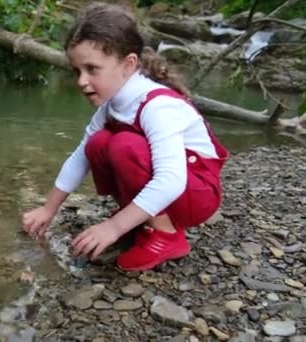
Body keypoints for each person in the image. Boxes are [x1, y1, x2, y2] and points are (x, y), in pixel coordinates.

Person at [21, 2, 229, 272]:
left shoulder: (157, 106)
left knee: (124, 145)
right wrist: (48, 209)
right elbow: (80, 157)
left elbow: (171, 180)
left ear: (129, 64)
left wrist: (113, 227)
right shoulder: (112, 103)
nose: (81, 81)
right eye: (77, 71)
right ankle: (143, 218)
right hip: (176, 190)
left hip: (196, 194)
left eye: (92, 69)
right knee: (97, 144)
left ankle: (166, 235)